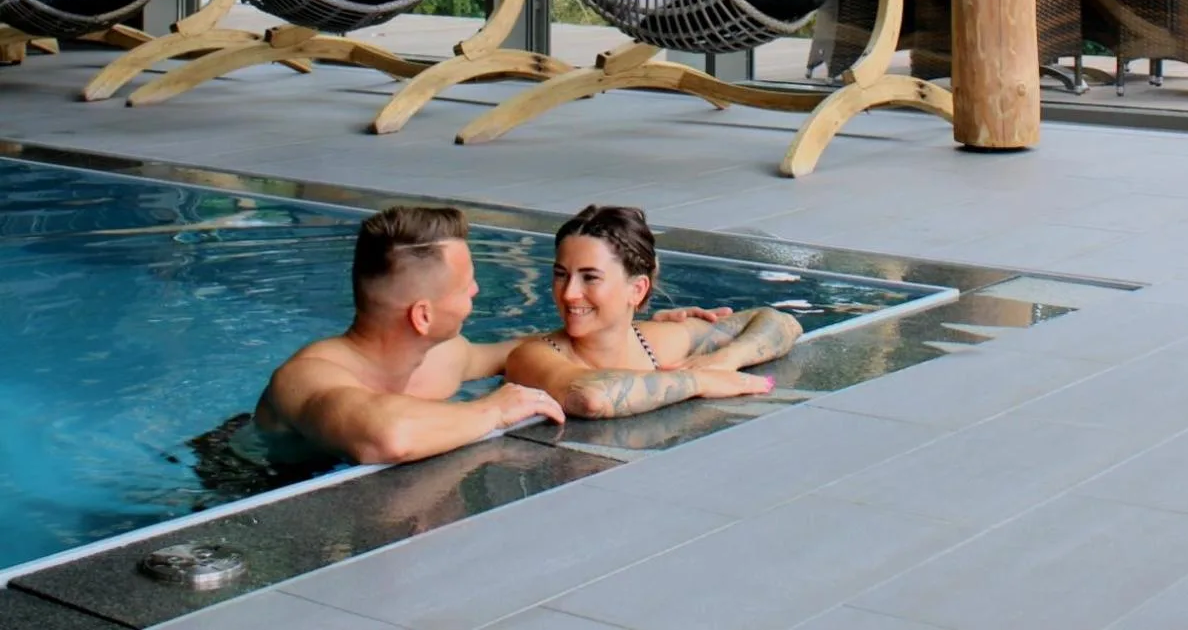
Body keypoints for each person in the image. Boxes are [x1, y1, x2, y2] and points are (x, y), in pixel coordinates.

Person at [251, 204, 728, 465]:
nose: (478, 293)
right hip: (238, 489)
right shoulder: (308, 378)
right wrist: (492, 410)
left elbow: (530, 347)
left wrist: (621, 315)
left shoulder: (444, 356)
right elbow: (389, 437)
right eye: (466, 286)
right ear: (421, 316)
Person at [504, 204, 802, 418]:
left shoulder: (653, 342)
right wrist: (700, 381)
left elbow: (779, 322)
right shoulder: (533, 356)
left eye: (590, 277)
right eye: (560, 274)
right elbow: (591, 398)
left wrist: (725, 359)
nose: (569, 293)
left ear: (637, 289)